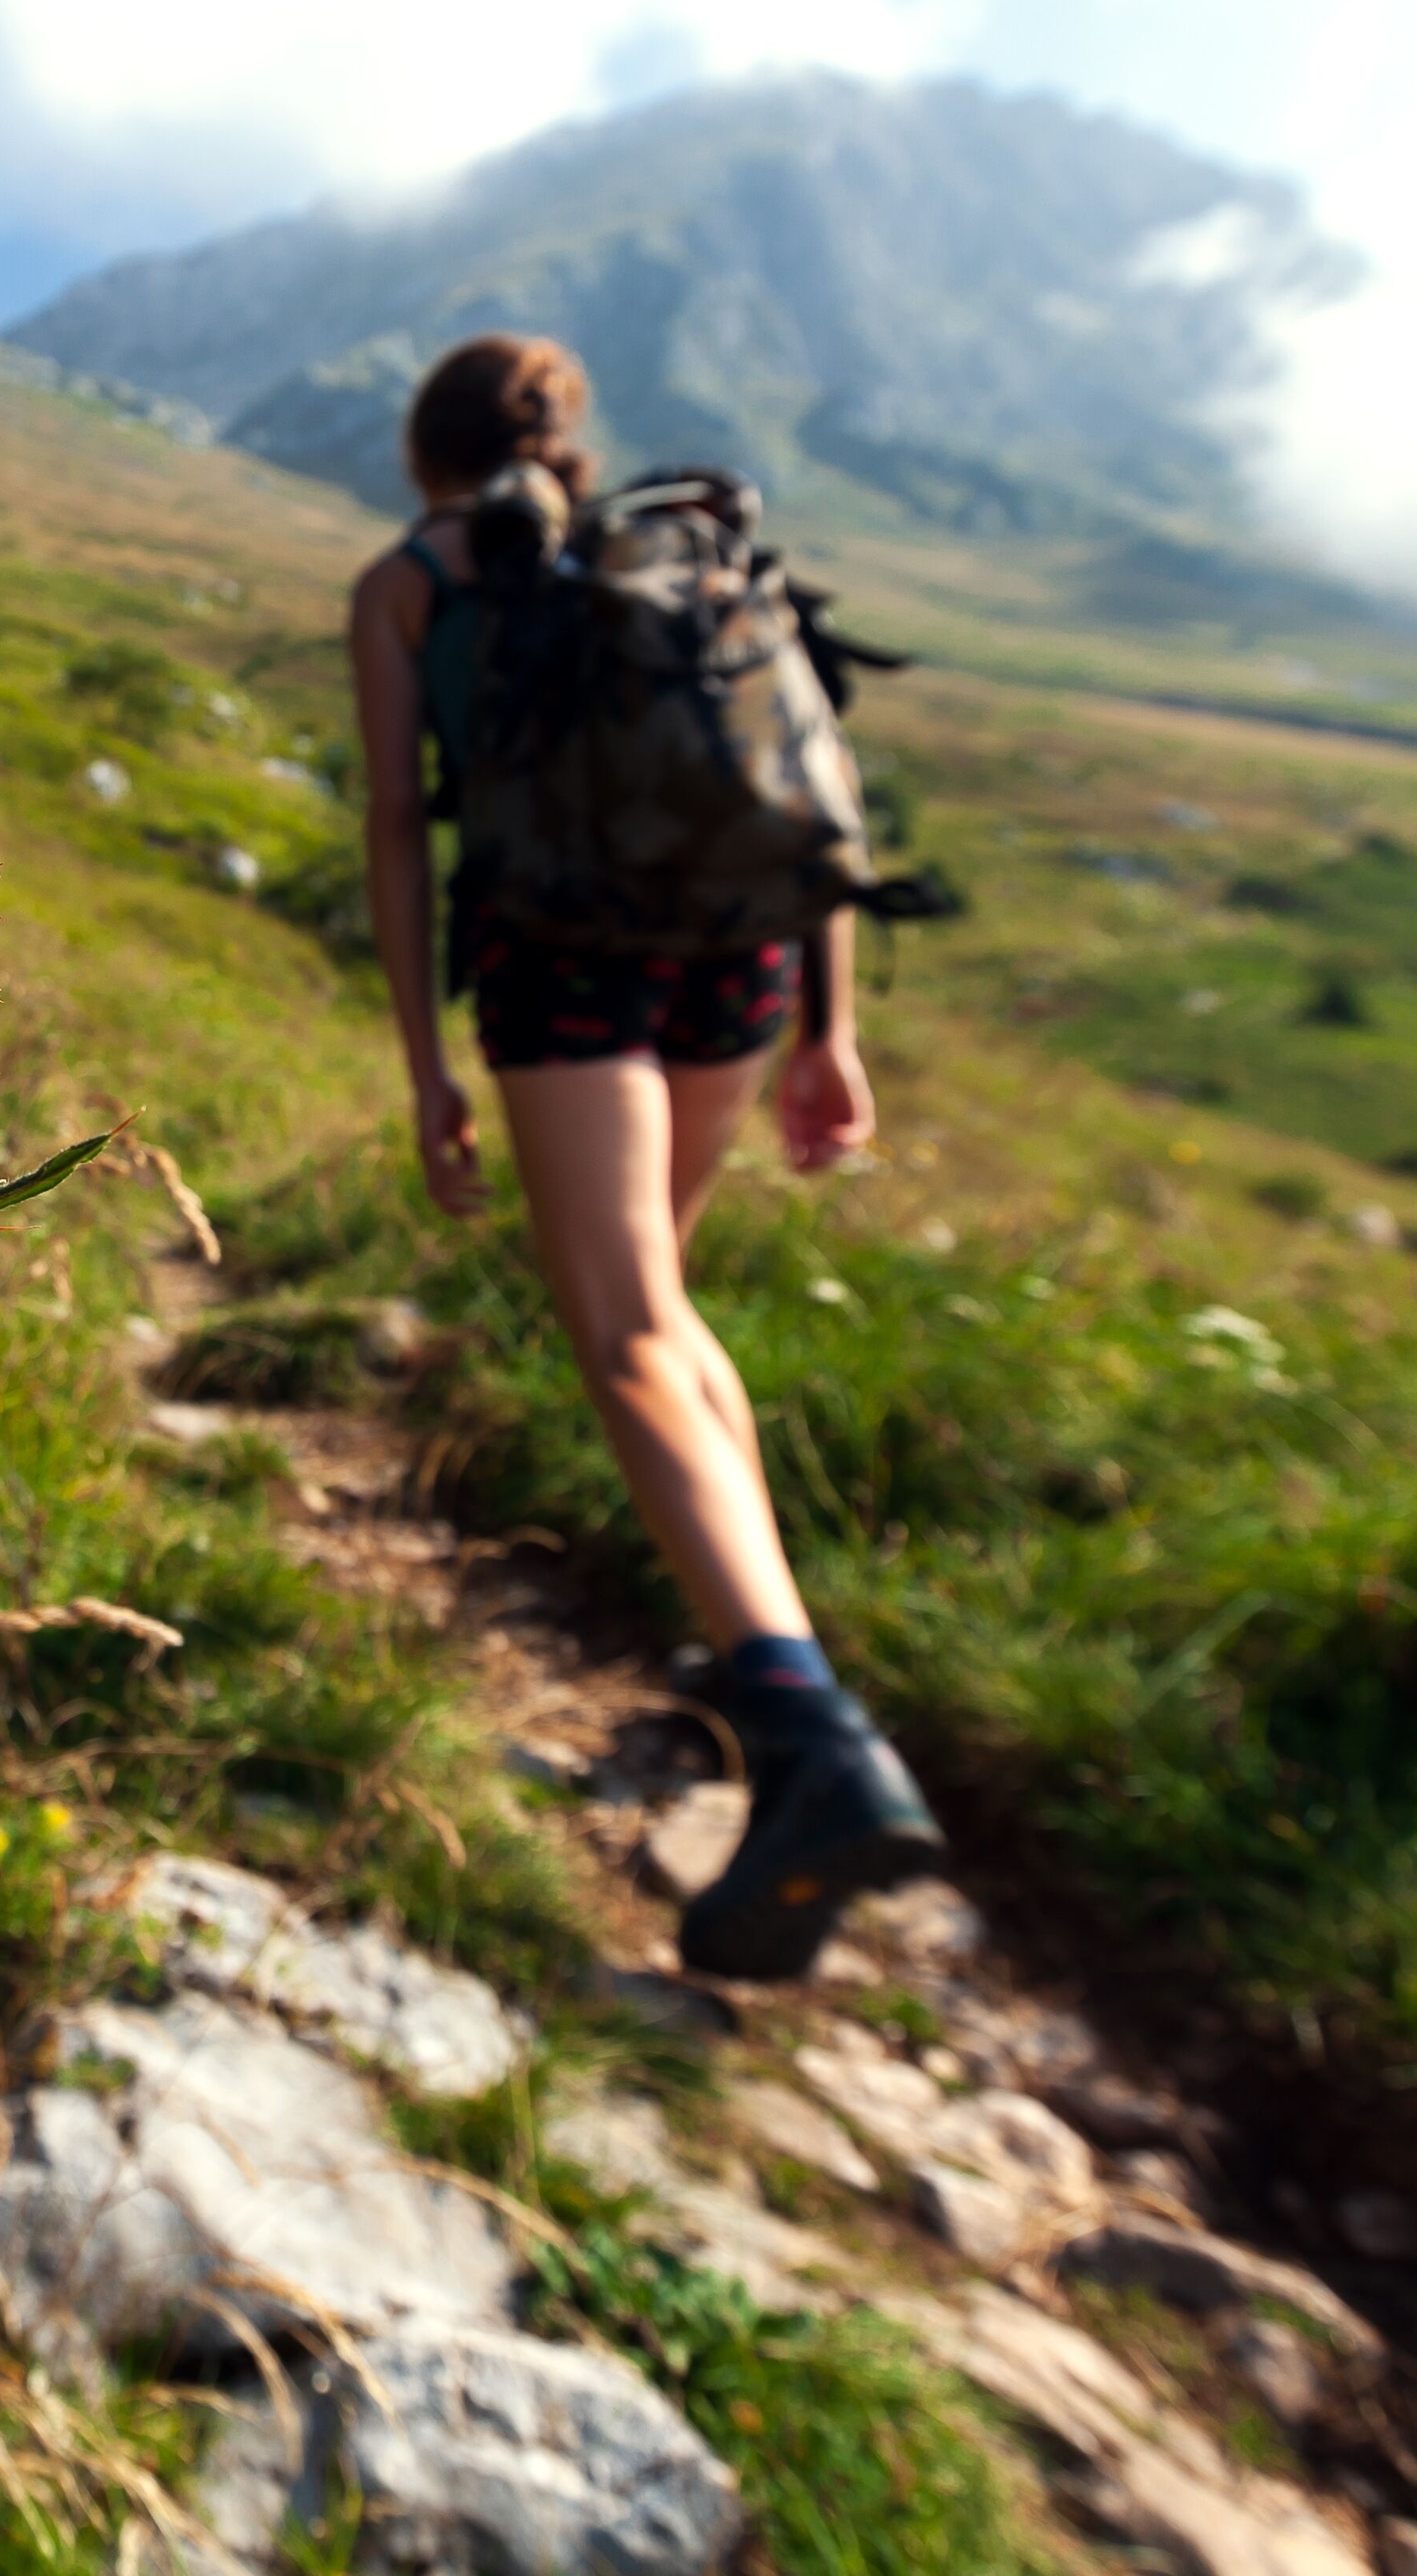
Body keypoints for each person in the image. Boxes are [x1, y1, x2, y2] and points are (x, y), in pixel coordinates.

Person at [345, 334, 945, 1981]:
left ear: (425, 454)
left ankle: (809, 1736)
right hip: (740, 959)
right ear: (566, 440)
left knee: (622, 1339)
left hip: (568, 967)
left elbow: (404, 826)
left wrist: (426, 1064)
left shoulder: (413, 582)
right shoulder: (679, 556)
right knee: (665, 1311)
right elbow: (803, 775)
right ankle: (761, 1664)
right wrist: (832, 1026)